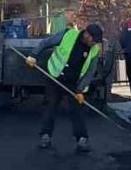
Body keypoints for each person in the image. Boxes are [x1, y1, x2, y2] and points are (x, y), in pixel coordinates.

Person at [25, 23, 105, 153]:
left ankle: (82, 139)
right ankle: (45, 136)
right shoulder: (68, 34)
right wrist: (33, 55)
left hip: (73, 83)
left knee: (77, 110)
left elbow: (90, 72)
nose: (94, 43)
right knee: (50, 106)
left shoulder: (94, 50)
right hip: (54, 76)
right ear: (86, 34)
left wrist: (80, 90)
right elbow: (46, 43)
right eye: (93, 40)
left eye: (96, 41)